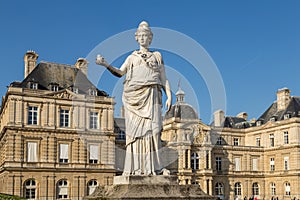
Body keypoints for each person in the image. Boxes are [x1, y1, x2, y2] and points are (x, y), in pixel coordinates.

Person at [96, 21, 172, 176]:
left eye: (146, 35)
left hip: (152, 95)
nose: (143, 38)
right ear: (137, 38)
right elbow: (120, 72)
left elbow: (164, 78)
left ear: (150, 38)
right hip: (134, 99)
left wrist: (169, 95)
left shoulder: (157, 56)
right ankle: (136, 168)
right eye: (141, 36)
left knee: (155, 131)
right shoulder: (132, 58)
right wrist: (105, 64)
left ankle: (156, 167)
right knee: (136, 135)